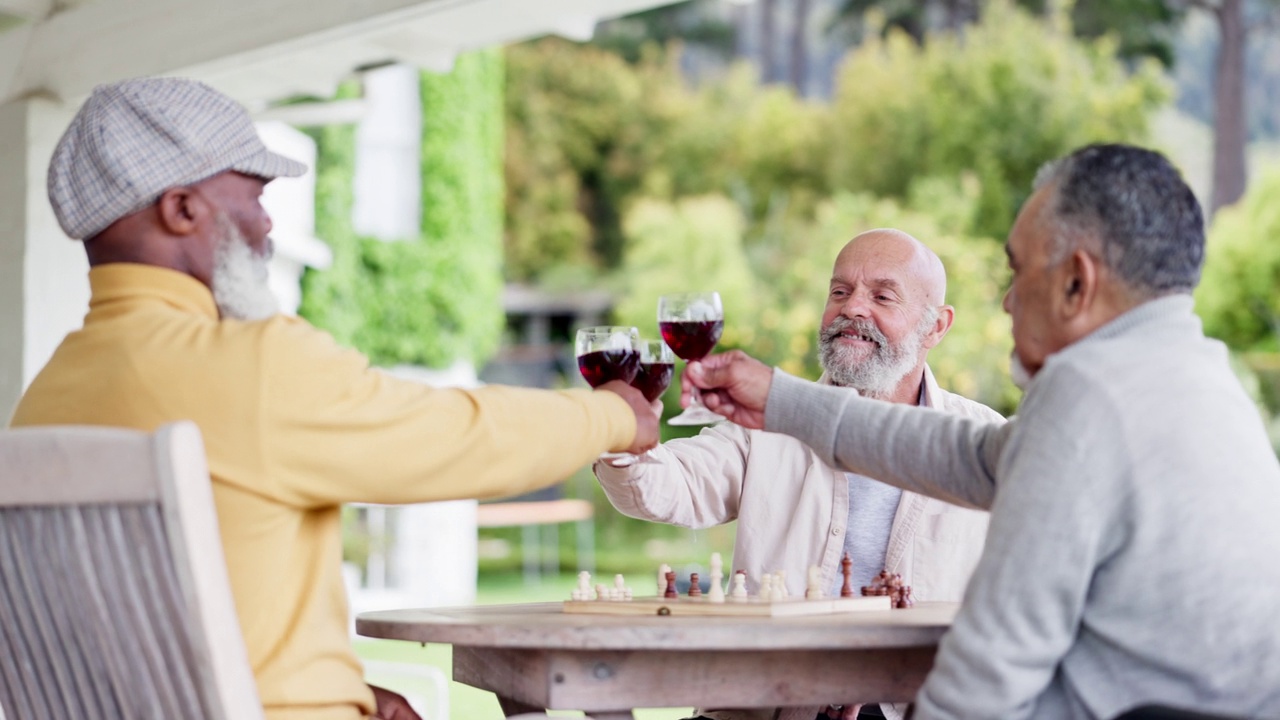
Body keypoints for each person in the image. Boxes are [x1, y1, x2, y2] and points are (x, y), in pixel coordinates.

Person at [7, 77, 659, 720]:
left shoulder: (41, 404)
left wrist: (350, 692)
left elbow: (132, 633)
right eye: (256, 196)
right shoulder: (255, 364)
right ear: (181, 210)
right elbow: (456, 439)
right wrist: (612, 416)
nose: (267, 226)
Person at [683, 144, 1280, 719]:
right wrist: (784, 402)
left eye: (1018, 271)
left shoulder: (1091, 395)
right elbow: (969, 456)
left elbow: (989, 672)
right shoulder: (1197, 378)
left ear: (1077, 282)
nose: (1006, 300)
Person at [594, 229, 1003, 720]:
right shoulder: (762, 423)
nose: (853, 308)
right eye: (839, 291)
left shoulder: (983, 440)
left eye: (882, 295)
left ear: (936, 326)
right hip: (766, 708)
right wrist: (623, 431)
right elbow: (666, 488)